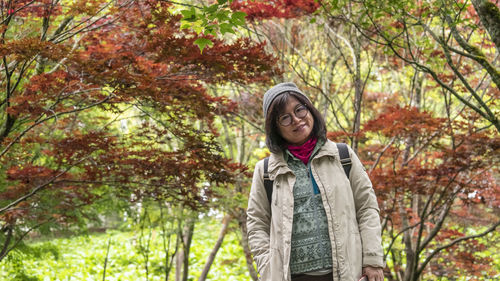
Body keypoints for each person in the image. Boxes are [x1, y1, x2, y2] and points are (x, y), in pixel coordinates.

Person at [246, 82, 385, 281]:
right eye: (285, 118)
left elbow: (367, 208)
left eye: (299, 110)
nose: (296, 120)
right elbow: (257, 224)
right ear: (275, 128)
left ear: (310, 110)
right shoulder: (266, 171)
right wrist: (268, 269)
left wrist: (372, 260)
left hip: (347, 274)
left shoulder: (342, 156)